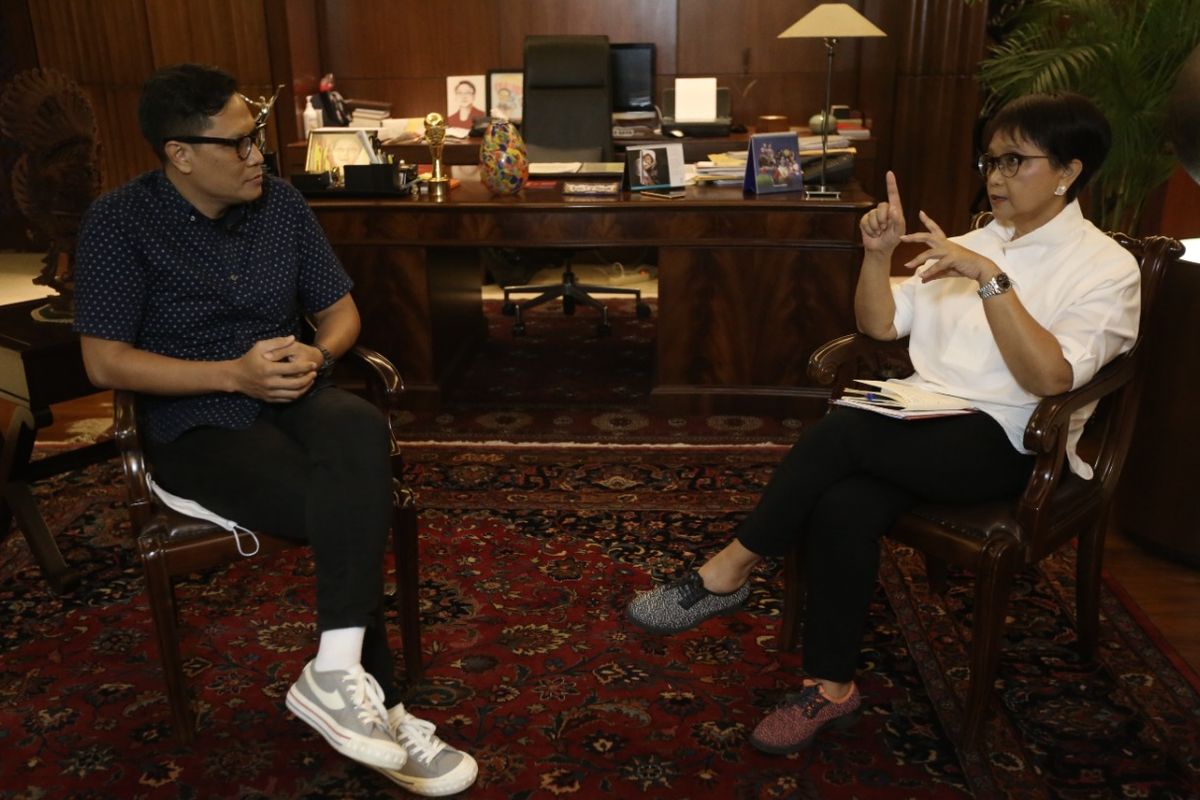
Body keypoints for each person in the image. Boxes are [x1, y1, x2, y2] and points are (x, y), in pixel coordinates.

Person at [627, 92, 1140, 754]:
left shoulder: (1106, 268)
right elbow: (879, 324)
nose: (996, 175)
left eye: (1015, 160)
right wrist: (878, 253)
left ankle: (729, 569)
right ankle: (831, 688)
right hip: (923, 421)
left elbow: (1049, 380)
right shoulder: (964, 243)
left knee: (843, 430)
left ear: (1069, 171)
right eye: (989, 160)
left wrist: (992, 281)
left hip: (1012, 440)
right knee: (843, 502)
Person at [72, 63, 477, 796]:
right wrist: (232, 374)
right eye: (238, 144)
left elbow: (340, 311)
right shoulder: (117, 221)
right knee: (348, 507)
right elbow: (104, 361)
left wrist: (318, 354)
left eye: (256, 137)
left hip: (291, 390)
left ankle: (333, 670)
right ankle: (384, 707)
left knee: (355, 425)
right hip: (195, 416)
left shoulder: (283, 204)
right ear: (180, 153)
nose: (258, 154)